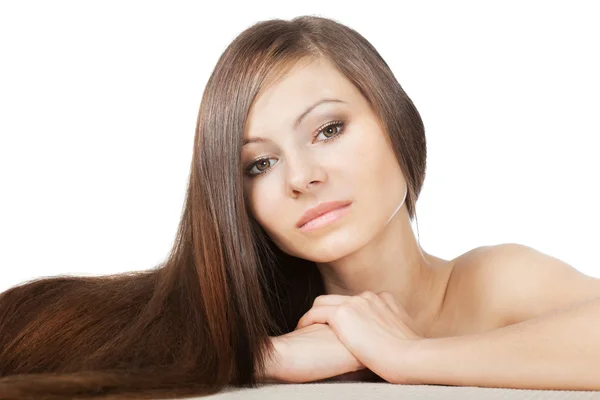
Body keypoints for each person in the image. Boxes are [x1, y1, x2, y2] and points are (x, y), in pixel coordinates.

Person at [3, 14, 597, 399]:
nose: (303, 178)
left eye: (328, 129)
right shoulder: (259, 329)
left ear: (396, 122)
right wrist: (264, 356)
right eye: (258, 165)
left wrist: (407, 356)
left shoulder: (490, 282)